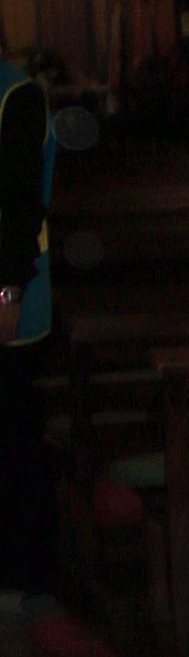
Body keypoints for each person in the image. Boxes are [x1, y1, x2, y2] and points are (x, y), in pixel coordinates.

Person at [0, 52, 56, 617]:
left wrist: (8, 290)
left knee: (13, 440)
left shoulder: (17, 95)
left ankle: (29, 577)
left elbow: (17, 201)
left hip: (10, 294)